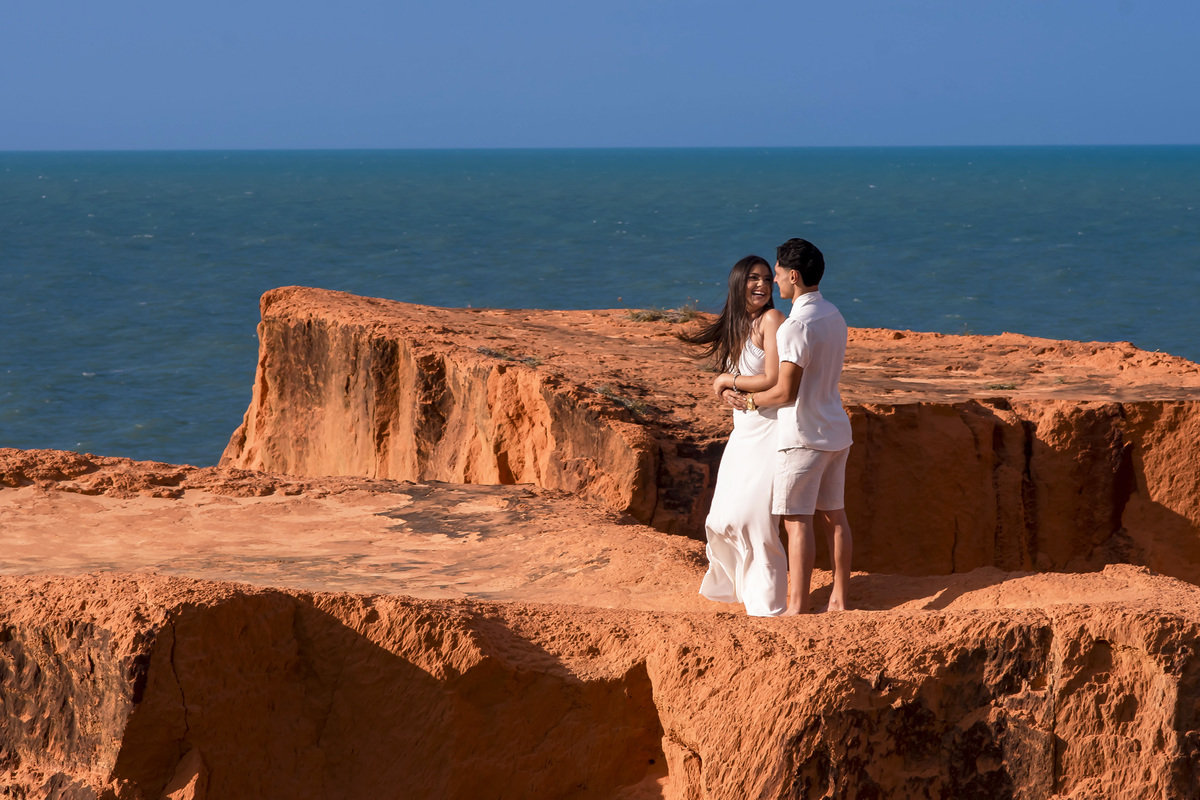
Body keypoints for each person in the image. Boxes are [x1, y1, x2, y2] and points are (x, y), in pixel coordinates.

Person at [716, 238, 853, 614]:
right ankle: (839, 599)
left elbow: (784, 392)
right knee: (834, 517)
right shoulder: (833, 315)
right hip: (837, 429)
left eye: (776, 275)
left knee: (796, 522)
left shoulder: (796, 326)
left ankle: (795, 606)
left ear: (793, 276)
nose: (774, 283)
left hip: (804, 435)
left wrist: (743, 400)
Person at [681, 255, 788, 616]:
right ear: (738, 282)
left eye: (766, 279)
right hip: (743, 432)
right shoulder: (737, 325)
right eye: (753, 278)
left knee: (755, 518)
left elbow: (772, 377)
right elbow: (734, 379)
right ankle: (738, 591)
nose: (761, 285)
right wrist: (725, 390)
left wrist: (727, 381)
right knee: (722, 516)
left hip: (769, 430)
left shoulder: (772, 319)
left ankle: (768, 605)